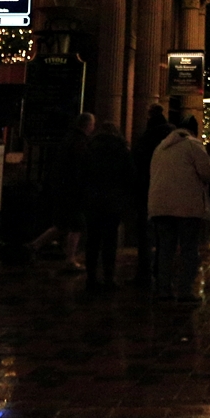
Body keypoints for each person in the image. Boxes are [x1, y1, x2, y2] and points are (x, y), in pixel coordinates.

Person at [148, 115, 210, 302]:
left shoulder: (160, 147)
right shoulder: (193, 146)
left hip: (160, 205)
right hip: (186, 206)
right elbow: (206, 173)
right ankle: (185, 290)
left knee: (165, 249)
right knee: (188, 249)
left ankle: (164, 289)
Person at [32, 112, 93, 271]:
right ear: (87, 125)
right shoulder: (80, 141)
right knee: (76, 225)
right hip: (73, 190)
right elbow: (79, 168)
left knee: (61, 224)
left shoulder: (69, 138)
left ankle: (34, 246)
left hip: (62, 188)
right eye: (92, 124)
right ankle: (70, 259)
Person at [82, 117, 133, 290]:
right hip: (113, 200)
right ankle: (109, 277)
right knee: (110, 240)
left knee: (92, 240)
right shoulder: (122, 150)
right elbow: (129, 177)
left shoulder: (89, 149)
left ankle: (91, 278)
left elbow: (82, 175)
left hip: (93, 200)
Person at [131, 104, 172, 288]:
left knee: (145, 234)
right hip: (166, 188)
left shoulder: (146, 137)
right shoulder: (170, 136)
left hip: (146, 188)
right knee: (165, 234)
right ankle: (163, 272)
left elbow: (137, 163)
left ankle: (144, 272)